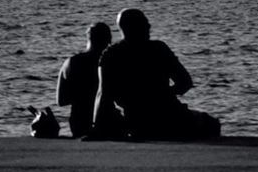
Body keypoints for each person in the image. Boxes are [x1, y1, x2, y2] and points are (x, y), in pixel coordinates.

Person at [93, 8, 220, 140]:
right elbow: (185, 82)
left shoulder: (110, 54)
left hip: (135, 119)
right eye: (144, 23)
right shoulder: (158, 48)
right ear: (134, 26)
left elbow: (103, 94)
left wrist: (96, 127)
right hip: (170, 115)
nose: (149, 26)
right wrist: (162, 94)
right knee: (212, 124)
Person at [56, 22, 111, 138]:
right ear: (108, 40)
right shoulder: (110, 62)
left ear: (88, 38)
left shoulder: (71, 63)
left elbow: (61, 100)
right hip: (107, 119)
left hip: (79, 121)